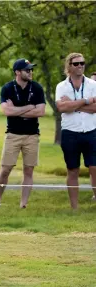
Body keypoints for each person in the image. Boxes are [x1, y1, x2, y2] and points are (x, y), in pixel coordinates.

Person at [0, 59, 46, 208]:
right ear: (17, 72)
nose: (30, 72)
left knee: (28, 170)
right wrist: (30, 107)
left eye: (31, 70)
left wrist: (17, 111)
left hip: (32, 135)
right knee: (6, 169)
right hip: (13, 135)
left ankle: (23, 204)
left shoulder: (36, 88)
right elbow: (6, 111)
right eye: (27, 70)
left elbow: (41, 111)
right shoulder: (7, 88)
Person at [55, 53, 96, 208]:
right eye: (76, 63)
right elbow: (61, 107)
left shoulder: (93, 85)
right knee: (72, 170)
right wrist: (86, 101)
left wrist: (72, 104)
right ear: (69, 66)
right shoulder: (61, 86)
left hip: (91, 132)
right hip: (70, 133)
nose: (80, 66)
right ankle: (74, 207)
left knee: (94, 168)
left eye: (82, 63)